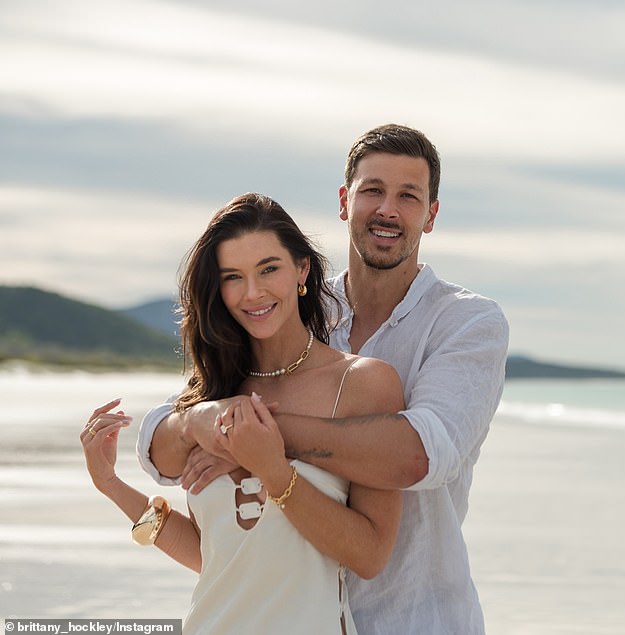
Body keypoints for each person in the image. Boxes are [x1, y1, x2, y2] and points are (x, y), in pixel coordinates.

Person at [137, 124, 510, 634]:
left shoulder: (468, 323)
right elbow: (164, 435)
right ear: (344, 201)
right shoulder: (286, 299)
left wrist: (252, 436)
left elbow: (420, 454)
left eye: (409, 196)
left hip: (418, 617)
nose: (388, 210)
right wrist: (207, 417)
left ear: (431, 215)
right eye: (373, 190)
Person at [81, 193, 405, 635]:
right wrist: (111, 485)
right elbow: (215, 558)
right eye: (233, 277)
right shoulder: (213, 394)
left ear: (302, 270)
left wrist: (272, 469)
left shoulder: (362, 385)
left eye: (269, 269)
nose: (253, 293)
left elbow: (370, 556)